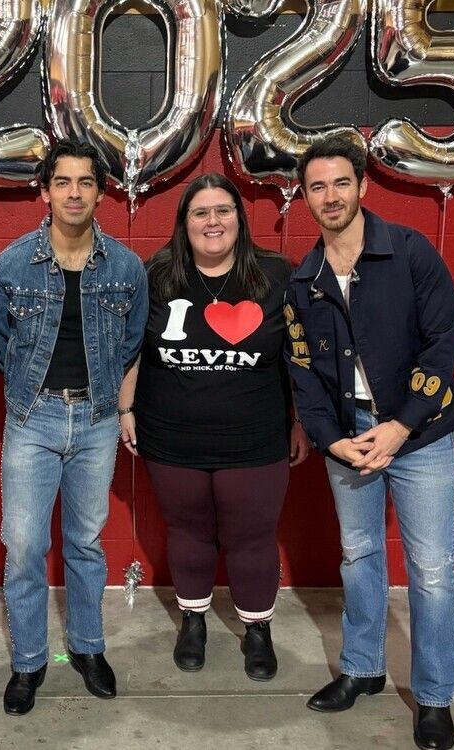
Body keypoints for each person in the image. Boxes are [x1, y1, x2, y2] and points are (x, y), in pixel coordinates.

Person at [285, 135, 454, 750]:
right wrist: (332, 441)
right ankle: (362, 669)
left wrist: (401, 424)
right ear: (304, 196)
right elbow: (303, 371)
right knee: (359, 558)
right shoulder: (303, 281)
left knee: (433, 571)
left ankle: (435, 697)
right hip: (350, 442)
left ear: (362, 186)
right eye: (317, 186)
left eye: (340, 183)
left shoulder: (411, 252)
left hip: (420, 437)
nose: (330, 196)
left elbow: (443, 342)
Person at [118, 173, 309, 679]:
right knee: (188, 533)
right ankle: (194, 620)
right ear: (183, 223)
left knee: (252, 537)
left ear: (239, 219)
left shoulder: (276, 276)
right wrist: (126, 409)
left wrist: (301, 423)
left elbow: (298, 358)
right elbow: (132, 350)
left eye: (223, 210)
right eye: (200, 212)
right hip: (172, 436)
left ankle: (257, 629)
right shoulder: (155, 275)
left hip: (256, 438)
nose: (212, 221)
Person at [0, 140, 148, 715]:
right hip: (33, 417)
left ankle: (86, 648)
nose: (74, 193)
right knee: (24, 544)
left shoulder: (126, 267)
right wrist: (33, 388)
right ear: (45, 190)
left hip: (99, 419)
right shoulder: (10, 264)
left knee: (86, 541)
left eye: (85, 183)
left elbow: (132, 345)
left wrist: (115, 404)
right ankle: (29, 662)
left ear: (101, 193)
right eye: (63, 182)